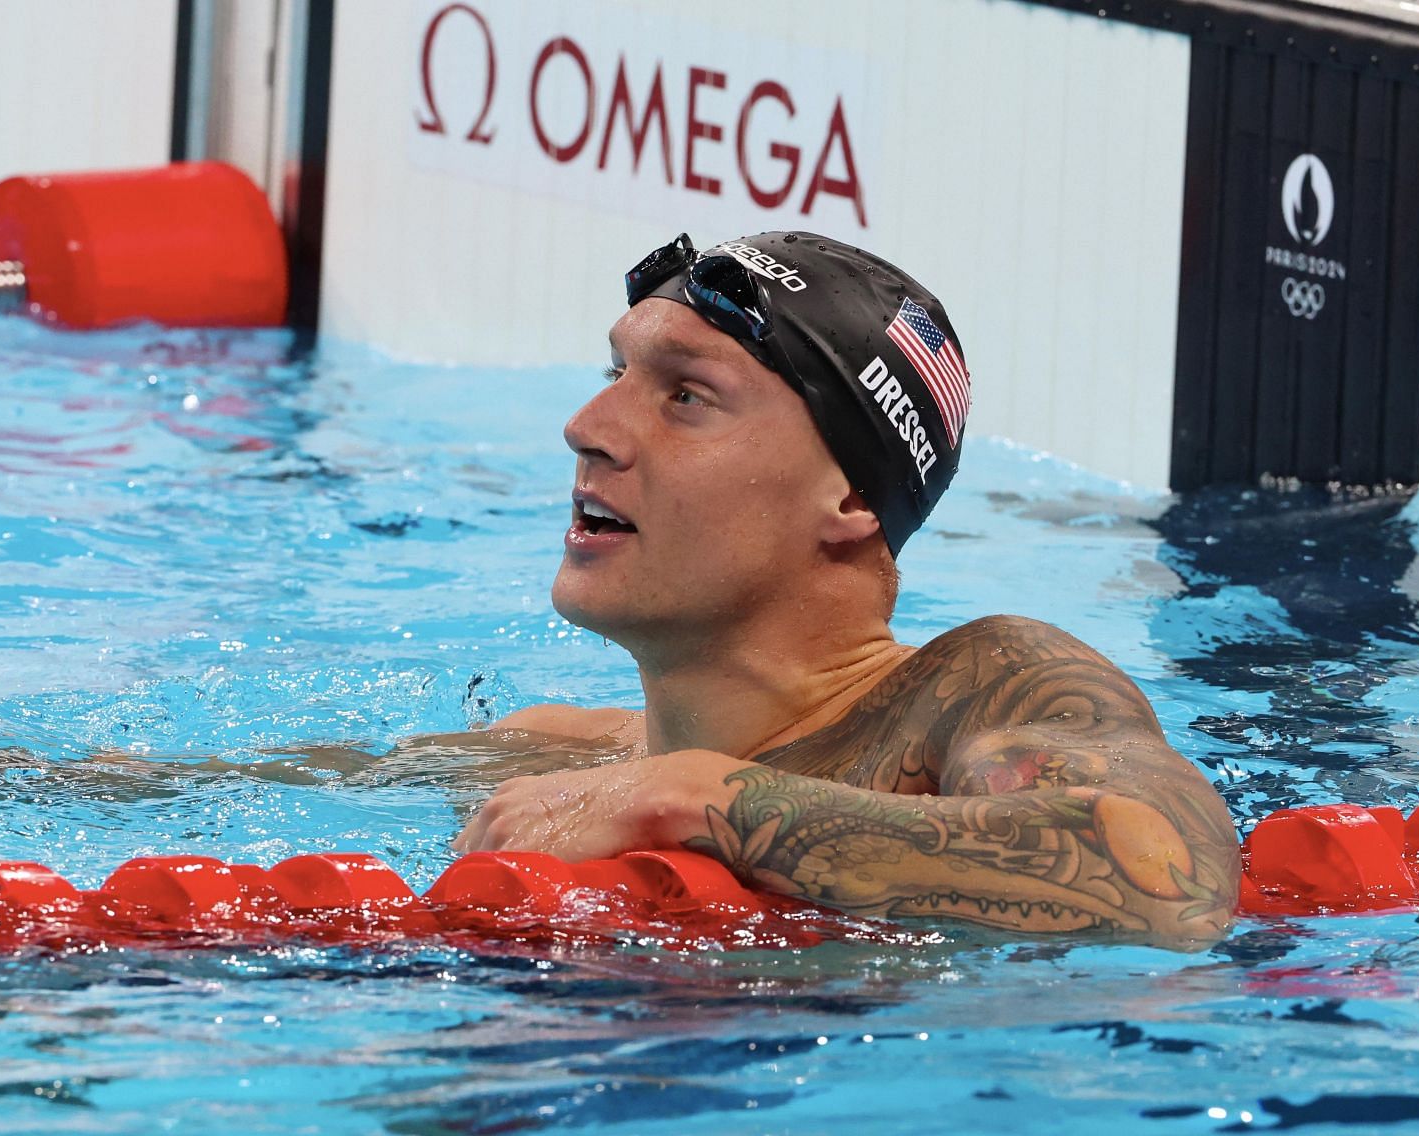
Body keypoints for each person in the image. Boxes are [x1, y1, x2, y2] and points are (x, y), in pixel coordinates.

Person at [454, 232, 1239, 947]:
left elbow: (1172, 879)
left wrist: (687, 794)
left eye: (687, 396)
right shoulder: (551, 753)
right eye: (615, 373)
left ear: (853, 500)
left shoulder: (985, 689)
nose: (587, 426)